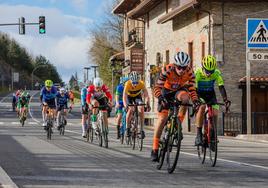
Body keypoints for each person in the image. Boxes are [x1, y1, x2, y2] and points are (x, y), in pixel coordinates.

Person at [151, 51, 201, 162]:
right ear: (175, 65)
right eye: (179, 67)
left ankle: (178, 123)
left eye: (184, 67)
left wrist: (196, 100)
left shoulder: (190, 72)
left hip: (179, 91)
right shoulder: (167, 69)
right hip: (166, 92)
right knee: (162, 119)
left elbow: (192, 89)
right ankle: (154, 148)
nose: (181, 70)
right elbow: (157, 87)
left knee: (185, 98)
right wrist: (160, 98)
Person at [194, 55, 231, 146]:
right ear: (203, 67)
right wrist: (197, 100)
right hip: (200, 94)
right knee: (202, 107)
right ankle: (198, 134)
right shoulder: (198, 73)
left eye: (211, 71)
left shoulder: (217, 73)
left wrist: (225, 99)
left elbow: (221, 87)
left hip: (210, 94)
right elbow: (194, 89)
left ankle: (212, 133)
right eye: (207, 71)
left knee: (214, 113)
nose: (209, 73)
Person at [123, 71, 151, 139]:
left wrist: (148, 103)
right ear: (130, 81)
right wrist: (126, 105)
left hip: (137, 96)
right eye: (133, 83)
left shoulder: (141, 83)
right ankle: (127, 128)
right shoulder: (127, 84)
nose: (135, 84)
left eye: (136, 82)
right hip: (129, 97)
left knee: (141, 108)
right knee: (130, 110)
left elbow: (146, 94)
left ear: (139, 81)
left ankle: (141, 129)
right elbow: (124, 96)